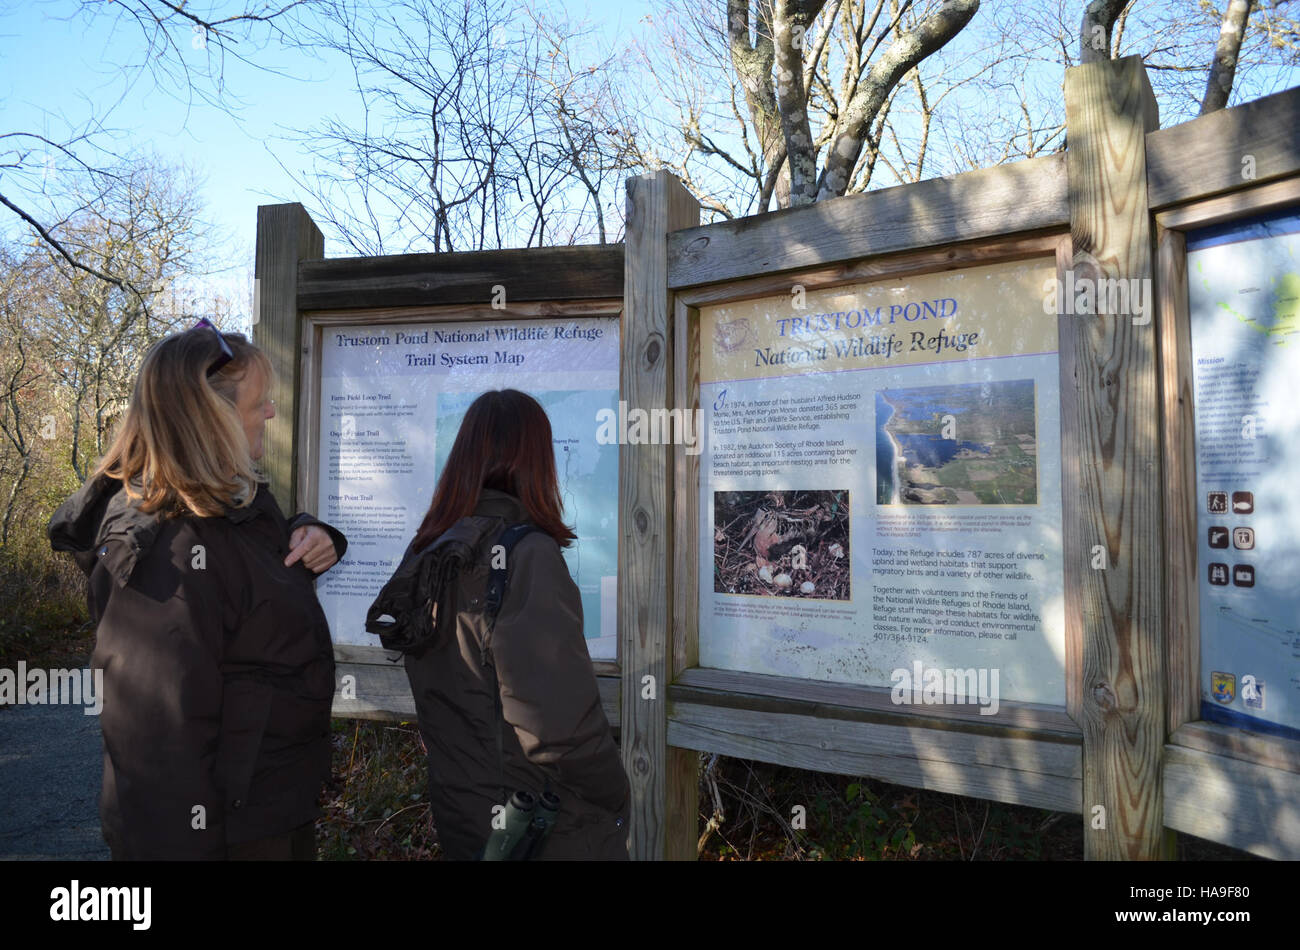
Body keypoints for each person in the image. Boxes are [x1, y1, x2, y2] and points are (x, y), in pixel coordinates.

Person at [47, 320, 346, 860]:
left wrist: (315, 532)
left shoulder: (235, 505)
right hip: (219, 836)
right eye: (261, 403)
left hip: (267, 811)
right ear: (213, 418)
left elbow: (254, 568)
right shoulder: (164, 547)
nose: (272, 413)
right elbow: (157, 745)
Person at [402, 389, 630, 860]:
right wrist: (614, 792)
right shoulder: (527, 556)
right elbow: (558, 731)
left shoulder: (429, 554)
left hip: (466, 818)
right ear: (537, 463)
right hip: (546, 829)